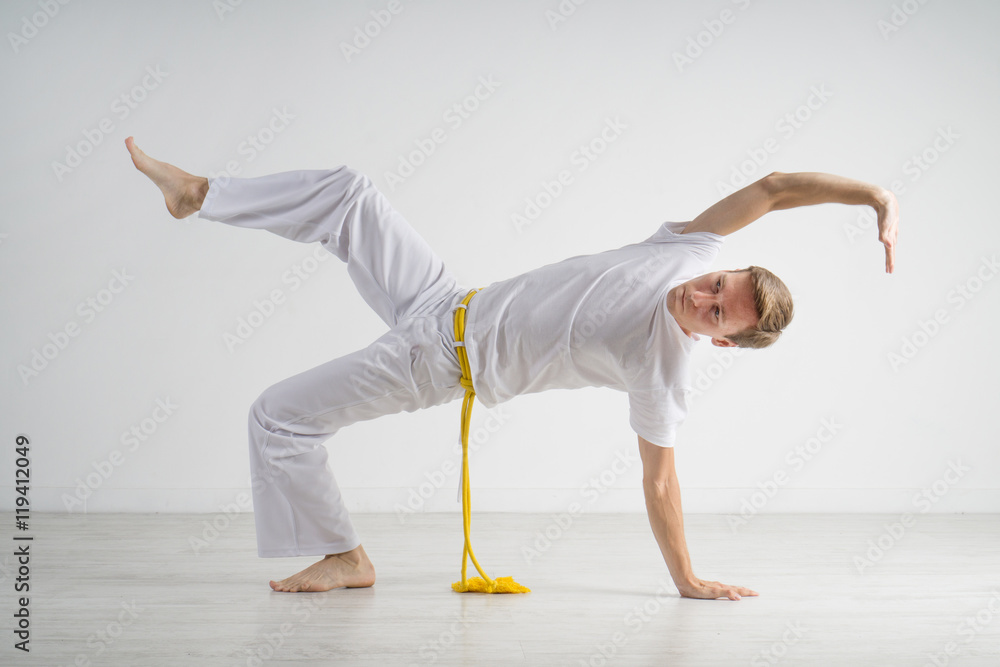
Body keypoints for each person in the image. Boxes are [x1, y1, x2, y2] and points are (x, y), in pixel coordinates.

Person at [125, 137, 899, 599]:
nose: (707, 294)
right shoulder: (687, 250)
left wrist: (688, 580)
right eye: (721, 284)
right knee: (350, 194)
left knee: (276, 415)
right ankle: (201, 194)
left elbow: (659, 480)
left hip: (437, 360)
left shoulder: (661, 365)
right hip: (445, 299)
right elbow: (773, 187)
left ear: (723, 341)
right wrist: (872, 194)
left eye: (720, 310)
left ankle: (344, 557)